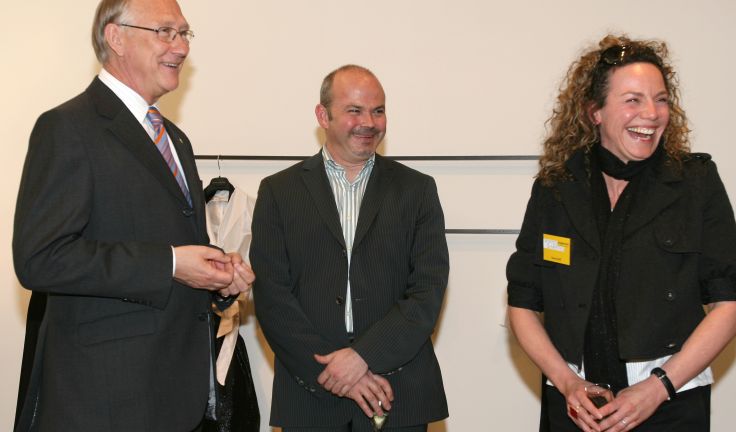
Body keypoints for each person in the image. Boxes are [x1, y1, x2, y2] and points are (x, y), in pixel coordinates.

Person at [12, 0, 254, 430]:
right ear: (115, 36)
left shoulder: (174, 139)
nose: (180, 47)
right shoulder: (67, 127)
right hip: (105, 401)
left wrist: (216, 276)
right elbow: (41, 259)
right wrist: (174, 264)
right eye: (165, 32)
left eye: (184, 34)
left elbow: (171, 248)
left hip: (173, 397)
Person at [506, 35, 736, 431]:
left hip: (670, 404)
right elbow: (522, 303)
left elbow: (729, 306)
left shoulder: (696, 183)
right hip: (575, 407)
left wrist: (657, 388)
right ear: (594, 111)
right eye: (633, 100)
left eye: (661, 99)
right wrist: (567, 382)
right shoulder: (555, 188)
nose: (651, 114)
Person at [250, 65, 449, 432]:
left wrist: (362, 357)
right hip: (310, 397)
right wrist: (334, 371)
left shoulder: (417, 190)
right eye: (354, 110)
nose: (369, 122)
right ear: (322, 115)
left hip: (398, 394)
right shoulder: (278, 192)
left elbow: (427, 291)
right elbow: (272, 297)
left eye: (378, 110)